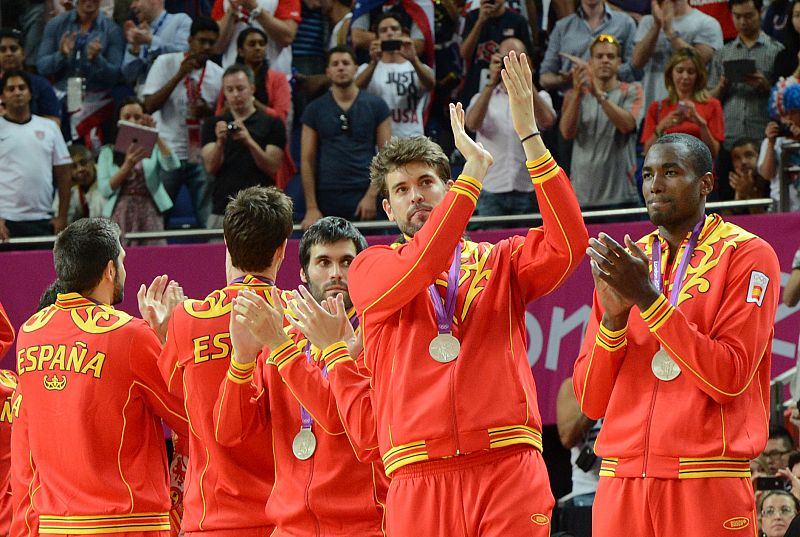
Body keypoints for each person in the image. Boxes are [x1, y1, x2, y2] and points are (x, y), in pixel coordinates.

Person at [313, 52, 587, 536]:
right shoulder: (370, 269)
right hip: (417, 476)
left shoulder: (502, 260)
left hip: (508, 465)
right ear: (386, 206)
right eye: (401, 190)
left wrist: (530, 138)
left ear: (446, 190)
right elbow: (421, 262)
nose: (415, 196)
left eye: (426, 183)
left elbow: (568, 245)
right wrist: (472, 176)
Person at [573, 132, 781, 536]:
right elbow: (591, 401)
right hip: (621, 480)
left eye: (671, 172)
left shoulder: (748, 254)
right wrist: (614, 320)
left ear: (706, 183)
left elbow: (730, 376)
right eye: (648, 173)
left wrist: (648, 299)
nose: (655, 184)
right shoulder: (628, 263)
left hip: (706, 477)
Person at [11, 217, 188, 537]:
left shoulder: (29, 332)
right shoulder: (129, 333)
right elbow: (187, 414)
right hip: (126, 525)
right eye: (122, 260)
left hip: (55, 524)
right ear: (109, 270)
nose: (124, 269)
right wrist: (169, 338)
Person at [214, 215, 389, 535]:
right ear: (303, 272)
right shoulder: (282, 335)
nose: (335, 273)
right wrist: (241, 361)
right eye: (323, 262)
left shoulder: (376, 337)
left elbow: (336, 420)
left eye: (346, 261)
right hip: (291, 527)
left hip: (364, 527)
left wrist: (281, 347)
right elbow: (230, 433)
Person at [157, 186, 294, 537]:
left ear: (228, 248)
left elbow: (176, 399)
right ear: (281, 251)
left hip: (212, 516)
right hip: (290, 515)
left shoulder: (187, 318)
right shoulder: (300, 315)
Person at [142, 16, 223, 228]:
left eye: (211, 42)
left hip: (201, 155)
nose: (206, 47)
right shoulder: (165, 62)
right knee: (158, 219)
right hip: (167, 153)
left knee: (208, 218)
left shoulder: (218, 74)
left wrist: (207, 111)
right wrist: (179, 75)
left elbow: (221, 116)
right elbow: (148, 105)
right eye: (201, 41)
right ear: (189, 40)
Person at [299, 46, 391, 229]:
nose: (341, 67)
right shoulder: (314, 109)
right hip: (328, 197)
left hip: (365, 194)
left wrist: (372, 196)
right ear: (328, 71)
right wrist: (311, 207)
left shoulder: (377, 105)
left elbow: (386, 154)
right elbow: (307, 160)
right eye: (335, 64)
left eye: (346, 63)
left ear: (356, 67)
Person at [465, 36, 555, 220]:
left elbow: (547, 122)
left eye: (516, 59)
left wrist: (526, 80)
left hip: (528, 187)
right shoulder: (482, 98)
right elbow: (471, 124)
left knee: (529, 247)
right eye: (505, 59)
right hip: (490, 188)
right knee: (490, 247)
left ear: (527, 61)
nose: (509, 65)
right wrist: (491, 82)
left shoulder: (541, 97)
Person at [707, 0, 783, 201]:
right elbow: (707, 100)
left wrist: (766, 87)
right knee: (727, 201)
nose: (742, 21)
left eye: (748, 15)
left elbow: (786, 99)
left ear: (760, 13)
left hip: (764, 139)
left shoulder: (777, 51)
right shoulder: (723, 53)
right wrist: (721, 86)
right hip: (729, 139)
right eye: (737, 16)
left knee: (767, 198)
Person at [559, 33, 644, 212]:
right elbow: (566, 132)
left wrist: (598, 95)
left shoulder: (632, 90)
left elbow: (627, 125)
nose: (605, 60)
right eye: (599, 56)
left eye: (610, 56)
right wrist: (576, 92)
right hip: (582, 197)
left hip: (621, 195)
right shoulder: (573, 95)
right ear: (590, 62)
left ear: (619, 62)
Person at [201, 64, 285, 229]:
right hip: (223, 208)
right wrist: (220, 143)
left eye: (240, 88)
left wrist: (248, 141)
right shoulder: (213, 125)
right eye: (230, 90)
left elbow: (272, 167)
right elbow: (210, 167)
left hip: (262, 209)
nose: (236, 94)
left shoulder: (272, 124)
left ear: (252, 88)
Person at [36, 0, 125, 145]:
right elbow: (42, 67)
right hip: (62, 98)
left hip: (96, 103)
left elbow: (115, 77)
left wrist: (97, 60)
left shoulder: (112, 30)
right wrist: (61, 55)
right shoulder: (56, 24)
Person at [0, 70, 71, 242]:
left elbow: (65, 173)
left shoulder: (50, 128)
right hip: (6, 221)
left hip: (43, 219)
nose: (17, 92)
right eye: (11, 89)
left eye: (22, 88)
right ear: (2, 96)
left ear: (30, 93)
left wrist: (62, 216)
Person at [97, 97, 178, 245]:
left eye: (137, 117)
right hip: (120, 211)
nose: (133, 121)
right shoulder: (108, 152)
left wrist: (156, 136)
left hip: (149, 210)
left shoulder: (153, 149)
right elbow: (105, 189)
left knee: (153, 257)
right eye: (127, 117)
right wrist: (127, 165)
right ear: (118, 121)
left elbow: (172, 165)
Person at [226, 27, 294, 189]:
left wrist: (250, 100)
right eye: (252, 44)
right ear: (240, 51)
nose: (258, 47)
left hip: (268, 144)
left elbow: (281, 117)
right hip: (234, 149)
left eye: (262, 44)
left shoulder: (278, 79)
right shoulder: (231, 80)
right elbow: (221, 114)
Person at [631, 0, 722, 110]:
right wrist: (657, 26)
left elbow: (700, 61)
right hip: (653, 108)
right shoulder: (647, 22)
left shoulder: (707, 23)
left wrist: (669, 31)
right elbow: (637, 62)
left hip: (692, 110)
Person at [355, 12, 434, 138]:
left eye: (394, 29)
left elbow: (430, 84)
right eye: (384, 30)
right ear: (377, 38)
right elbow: (354, 91)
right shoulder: (366, 69)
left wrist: (414, 59)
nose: (389, 33)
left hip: (414, 139)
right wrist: (373, 63)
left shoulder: (417, 67)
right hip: (380, 142)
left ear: (404, 34)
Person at [640, 48, 724, 158]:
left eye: (691, 72)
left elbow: (713, 153)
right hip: (667, 171)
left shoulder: (712, 105)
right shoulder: (656, 107)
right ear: (671, 74)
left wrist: (702, 125)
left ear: (698, 75)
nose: (685, 77)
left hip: (698, 172)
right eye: (680, 71)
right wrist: (662, 126)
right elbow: (648, 152)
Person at [539, 0, 638, 92]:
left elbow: (634, 70)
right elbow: (544, 78)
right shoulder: (562, 27)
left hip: (614, 99)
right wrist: (562, 79)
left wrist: (600, 71)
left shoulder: (625, 23)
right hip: (574, 100)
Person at [459, 0, 533, 104]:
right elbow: (464, 54)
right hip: (476, 83)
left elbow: (528, 60)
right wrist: (480, 21)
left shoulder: (517, 21)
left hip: (506, 86)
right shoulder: (473, 17)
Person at [211, 0, 301, 76]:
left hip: (275, 79)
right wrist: (231, 12)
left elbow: (287, 37)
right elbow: (216, 47)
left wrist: (255, 9)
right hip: (234, 81)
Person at [121, 0, 192, 89]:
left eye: (137, 0)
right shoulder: (137, 33)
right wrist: (136, 50)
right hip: (143, 95)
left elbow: (185, 55)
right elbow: (129, 77)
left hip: (174, 92)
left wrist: (151, 41)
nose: (132, 6)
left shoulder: (181, 20)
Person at [0, 27, 60, 124]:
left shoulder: (41, 85)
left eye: (13, 49)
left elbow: (54, 123)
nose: (8, 54)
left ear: (23, 54)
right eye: (3, 50)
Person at [59, 144, 106, 223]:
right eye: (74, 167)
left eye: (83, 163)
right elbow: (63, 221)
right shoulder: (70, 185)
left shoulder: (106, 178)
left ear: (92, 161)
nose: (80, 169)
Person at [727, 138, 770, 214]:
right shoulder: (728, 182)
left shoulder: (770, 180)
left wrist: (750, 194)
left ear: (760, 156)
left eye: (749, 155)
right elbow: (728, 220)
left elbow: (764, 220)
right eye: (737, 158)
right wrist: (739, 195)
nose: (743, 162)